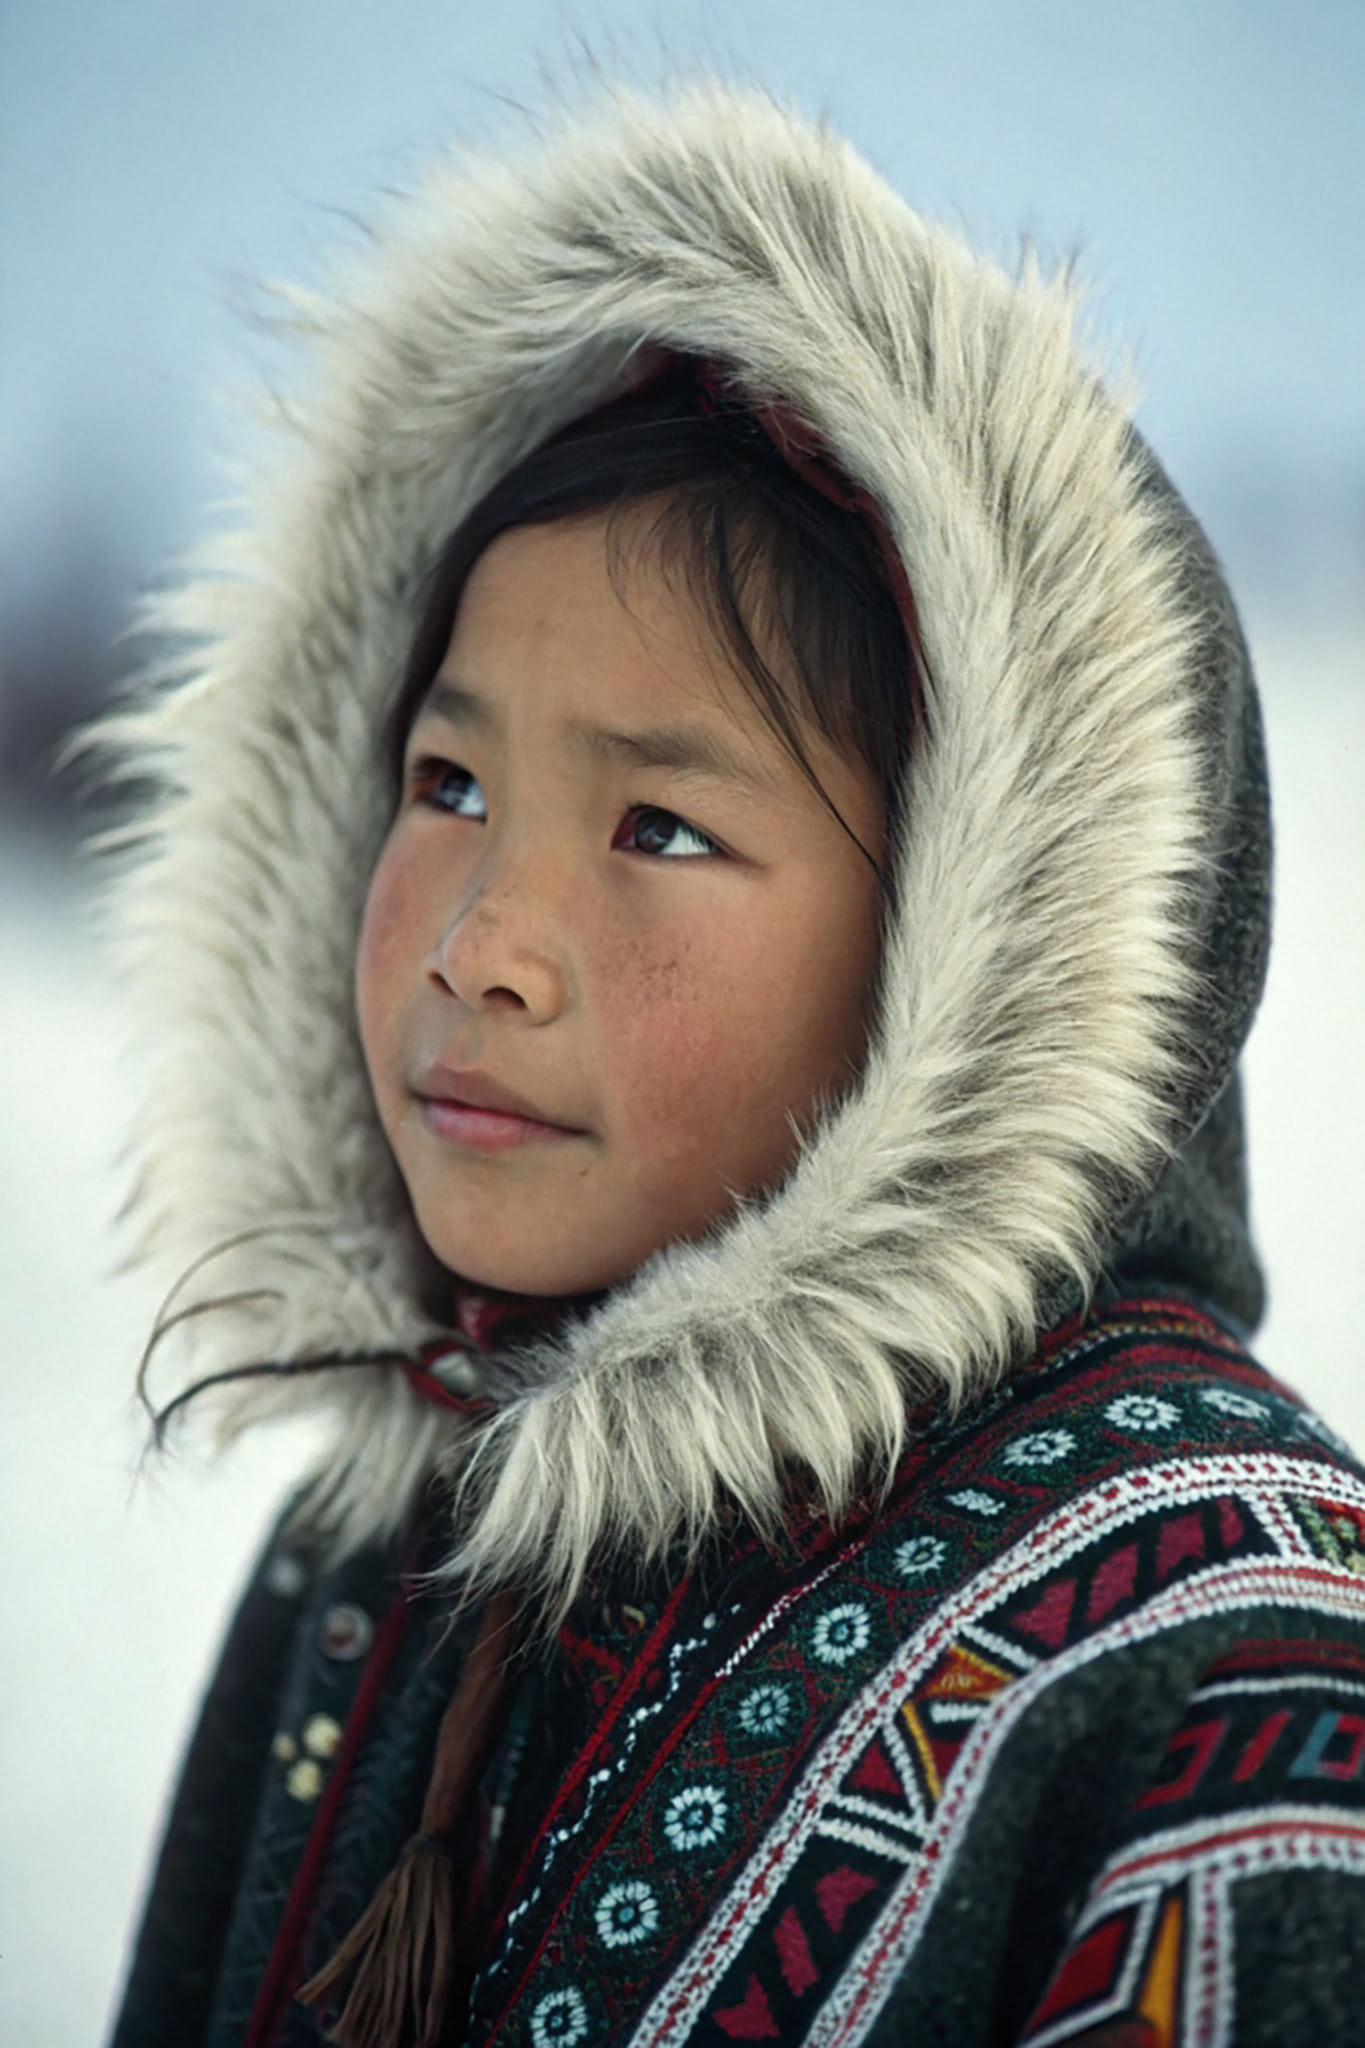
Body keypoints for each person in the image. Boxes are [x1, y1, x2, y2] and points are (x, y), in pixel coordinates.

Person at [101, 80, 1365, 2048]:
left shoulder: (1226, 1648)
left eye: (659, 829)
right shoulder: (390, 1545)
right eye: (444, 782)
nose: (476, 942)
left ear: (975, 954)